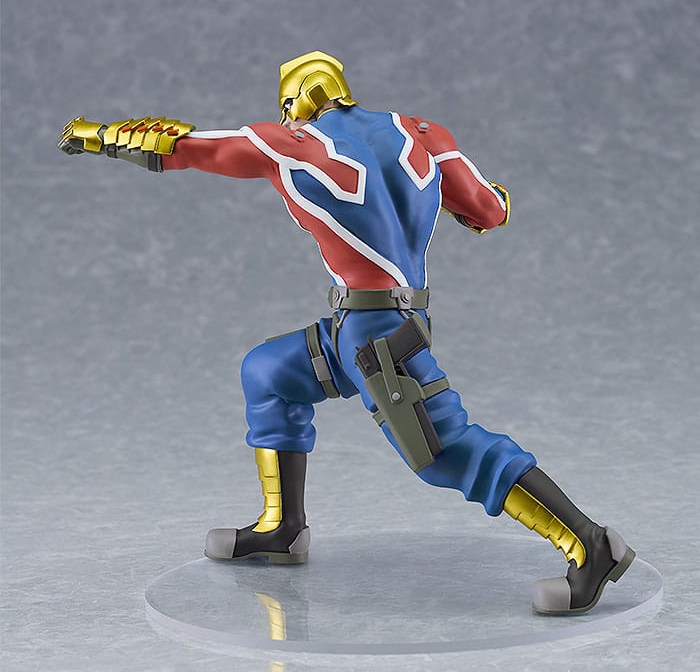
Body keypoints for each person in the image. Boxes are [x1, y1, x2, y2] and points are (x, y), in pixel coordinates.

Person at [58, 50, 634, 615]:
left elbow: (181, 146)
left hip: (375, 337)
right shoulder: (421, 133)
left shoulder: (290, 144)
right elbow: (490, 210)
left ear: (293, 103)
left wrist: (95, 135)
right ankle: (282, 527)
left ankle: (588, 543)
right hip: (369, 324)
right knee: (268, 373)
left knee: (441, 451)